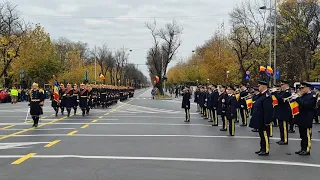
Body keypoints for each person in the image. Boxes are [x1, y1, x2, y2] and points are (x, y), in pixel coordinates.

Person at [249, 80, 273, 156]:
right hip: (259, 118)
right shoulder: (261, 95)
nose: (258, 87)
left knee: (265, 135)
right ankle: (262, 148)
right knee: (261, 135)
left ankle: (266, 150)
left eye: (259, 86)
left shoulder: (267, 96)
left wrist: (267, 121)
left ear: (263, 86)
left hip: (263, 119)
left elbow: (268, 110)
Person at [293, 82, 316, 156]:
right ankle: (302, 148)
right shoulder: (304, 95)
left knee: (307, 135)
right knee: (302, 135)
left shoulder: (312, 96)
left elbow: (305, 104)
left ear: (307, 88)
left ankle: (307, 150)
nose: (301, 90)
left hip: (307, 118)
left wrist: (297, 98)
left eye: (302, 88)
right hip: (301, 117)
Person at [273, 80, 292, 145]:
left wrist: (275, 92)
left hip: (284, 111)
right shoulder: (283, 91)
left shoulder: (287, 92)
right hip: (281, 110)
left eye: (282, 85)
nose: (281, 86)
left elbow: (280, 98)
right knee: (281, 126)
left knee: (284, 127)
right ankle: (282, 138)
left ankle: (285, 140)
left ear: (286, 85)